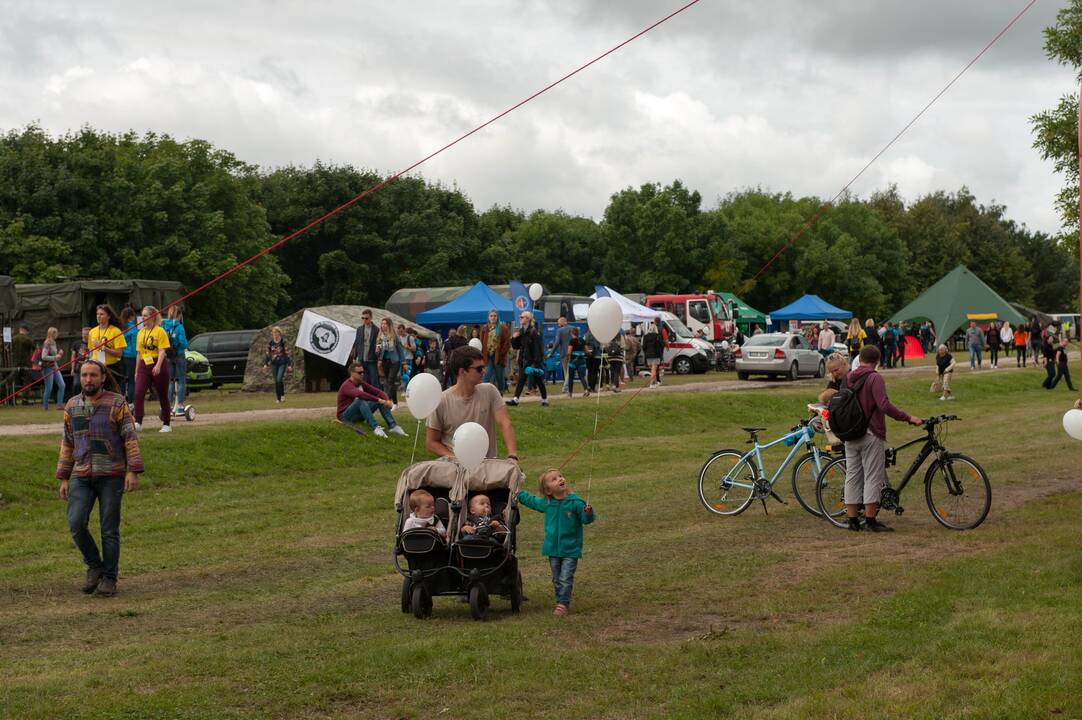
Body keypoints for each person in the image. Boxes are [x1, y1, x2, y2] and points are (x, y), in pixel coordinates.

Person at [55, 360, 143, 597]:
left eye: (93, 375)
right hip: (81, 475)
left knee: (109, 530)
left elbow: (130, 437)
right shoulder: (72, 406)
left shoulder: (117, 402)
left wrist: (132, 470)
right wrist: (64, 476)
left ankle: (110, 578)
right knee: (75, 523)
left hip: (111, 475)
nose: (88, 379)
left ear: (103, 377)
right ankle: (95, 566)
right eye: (84, 375)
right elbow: (67, 442)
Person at [841, 345, 923, 533]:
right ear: (877, 361)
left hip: (850, 433)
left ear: (859, 358)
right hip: (870, 432)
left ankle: (852, 519)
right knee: (872, 476)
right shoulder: (874, 378)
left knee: (852, 476)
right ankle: (870, 520)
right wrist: (908, 418)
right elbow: (883, 405)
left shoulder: (848, 378)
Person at [516, 467, 595, 617]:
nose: (560, 479)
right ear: (548, 491)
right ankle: (561, 600)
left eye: (560, 476)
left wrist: (588, 513)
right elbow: (532, 501)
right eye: (554, 479)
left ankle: (563, 604)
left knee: (565, 578)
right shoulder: (547, 504)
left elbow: (586, 520)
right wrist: (518, 493)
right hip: (552, 549)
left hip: (571, 549)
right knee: (557, 578)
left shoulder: (575, 502)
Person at [426, 345, 519, 463]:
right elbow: (431, 442)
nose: (484, 371)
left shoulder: (490, 391)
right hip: (456, 469)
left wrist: (512, 455)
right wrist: (456, 459)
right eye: (479, 369)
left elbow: (505, 422)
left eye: (484, 367)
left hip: (487, 468)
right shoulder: (441, 401)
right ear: (462, 371)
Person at [337, 362, 407, 438]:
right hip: (344, 417)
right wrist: (379, 400)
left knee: (379, 401)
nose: (362, 374)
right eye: (359, 373)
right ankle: (375, 428)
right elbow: (360, 395)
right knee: (360, 400)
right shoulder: (347, 385)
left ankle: (393, 426)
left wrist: (387, 401)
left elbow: (379, 392)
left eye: (363, 372)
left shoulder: (361, 383)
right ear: (352, 373)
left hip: (357, 415)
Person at [134, 306, 172, 433]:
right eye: (142, 315)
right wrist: (136, 370)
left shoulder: (160, 331)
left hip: (158, 363)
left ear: (153, 316)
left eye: (145, 315)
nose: (142, 317)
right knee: (138, 392)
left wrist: (158, 366)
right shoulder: (140, 333)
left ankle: (167, 423)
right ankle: (138, 421)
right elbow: (139, 354)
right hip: (144, 365)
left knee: (162, 395)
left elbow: (162, 351)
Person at [507, 311, 548, 406]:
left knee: (538, 380)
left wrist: (536, 362)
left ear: (528, 319)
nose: (520, 319)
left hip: (533, 360)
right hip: (523, 360)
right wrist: (513, 338)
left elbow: (538, 348)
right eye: (520, 317)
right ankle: (515, 399)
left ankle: (545, 399)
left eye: (522, 317)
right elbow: (516, 346)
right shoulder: (521, 331)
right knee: (521, 379)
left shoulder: (534, 332)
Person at [88, 304, 128, 390]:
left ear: (109, 316)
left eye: (102, 314)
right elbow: (91, 351)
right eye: (97, 314)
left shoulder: (116, 331)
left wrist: (103, 348)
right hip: (96, 368)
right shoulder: (92, 332)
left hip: (112, 368)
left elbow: (119, 354)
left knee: (112, 394)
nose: (98, 316)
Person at [161, 305, 189, 412]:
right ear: (179, 315)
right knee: (181, 380)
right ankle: (180, 406)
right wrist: (183, 346)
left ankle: (168, 404)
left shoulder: (164, 326)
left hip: (169, 355)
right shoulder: (180, 327)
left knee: (171, 381)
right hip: (179, 355)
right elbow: (183, 342)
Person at [480, 310, 510, 393]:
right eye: (491, 316)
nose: (493, 317)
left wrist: (502, 354)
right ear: (488, 317)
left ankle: (500, 393)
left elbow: (507, 343)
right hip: (488, 356)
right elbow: (481, 342)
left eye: (495, 316)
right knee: (486, 375)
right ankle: (483, 394)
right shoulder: (484, 328)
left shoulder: (503, 328)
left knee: (499, 377)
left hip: (498, 356)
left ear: (497, 317)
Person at [377, 317, 405, 407]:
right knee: (390, 383)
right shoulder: (380, 337)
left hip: (395, 361)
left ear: (389, 325)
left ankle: (387, 401)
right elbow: (378, 351)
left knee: (390, 381)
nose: (383, 325)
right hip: (385, 362)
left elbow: (400, 350)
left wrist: (403, 362)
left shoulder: (394, 336)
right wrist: (377, 350)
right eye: (382, 324)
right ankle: (395, 403)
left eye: (385, 323)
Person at [352, 309, 380, 388]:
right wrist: (354, 357)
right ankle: (366, 398)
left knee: (374, 380)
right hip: (361, 359)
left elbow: (379, 344)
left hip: (372, 359)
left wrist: (379, 358)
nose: (364, 320)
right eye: (363, 318)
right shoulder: (359, 329)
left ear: (371, 318)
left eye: (366, 318)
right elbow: (357, 344)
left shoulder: (376, 330)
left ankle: (376, 398)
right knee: (364, 380)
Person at [41, 327, 66, 410]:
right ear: (53, 333)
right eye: (56, 333)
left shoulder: (54, 342)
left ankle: (59, 405)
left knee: (62, 385)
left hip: (55, 367)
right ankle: (45, 406)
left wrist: (59, 354)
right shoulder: (47, 343)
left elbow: (55, 356)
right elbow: (43, 357)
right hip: (48, 368)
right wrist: (55, 357)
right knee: (49, 387)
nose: (57, 335)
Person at [263, 326, 291, 403]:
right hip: (274, 364)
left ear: (279, 333)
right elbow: (268, 354)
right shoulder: (271, 343)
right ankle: (278, 398)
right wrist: (265, 364)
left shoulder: (283, 342)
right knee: (276, 381)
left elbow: (287, 353)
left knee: (279, 379)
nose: (274, 334)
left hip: (282, 363)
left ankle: (282, 396)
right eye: (273, 332)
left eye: (276, 332)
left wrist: (289, 365)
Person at [119, 307, 139, 404]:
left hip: (121, 356)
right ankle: (131, 403)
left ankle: (121, 401)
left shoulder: (121, 328)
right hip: (131, 357)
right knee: (131, 381)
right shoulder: (133, 328)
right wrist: (138, 357)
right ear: (131, 316)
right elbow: (135, 344)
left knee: (122, 380)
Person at [565, 327, 589, 397]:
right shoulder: (582, 340)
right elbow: (587, 351)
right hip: (582, 360)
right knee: (582, 377)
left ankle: (570, 393)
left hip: (573, 361)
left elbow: (569, 352)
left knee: (571, 377)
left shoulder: (571, 341)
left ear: (572, 333)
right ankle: (586, 390)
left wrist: (567, 357)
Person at [69, 327, 90, 397]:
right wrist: (72, 368)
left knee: (87, 385)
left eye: (87, 334)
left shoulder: (93, 343)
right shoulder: (76, 343)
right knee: (76, 384)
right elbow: (73, 357)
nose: (85, 335)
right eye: (83, 334)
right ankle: (75, 400)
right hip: (78, 367)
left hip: (89, 367)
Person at [554, 316, 573, 393]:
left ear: (563, 322)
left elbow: (557, 343)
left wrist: (551, 352)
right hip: (572, 353)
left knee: (566, 372)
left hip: (563, 354)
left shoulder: (560, 330)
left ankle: (565, 388)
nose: (558, 324)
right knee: (568, 372)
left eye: (558, 322)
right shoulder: (573, 328)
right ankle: (567, 388)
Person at [642, 320, 664, 388]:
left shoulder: (645, 336)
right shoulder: (658, 336)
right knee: (654, 369)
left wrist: (646, 353)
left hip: (648, 355)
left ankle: (654, 383)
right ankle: (651, 384)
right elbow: (661, 345)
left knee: (652, 369)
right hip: (656, 354)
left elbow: (644, 346)